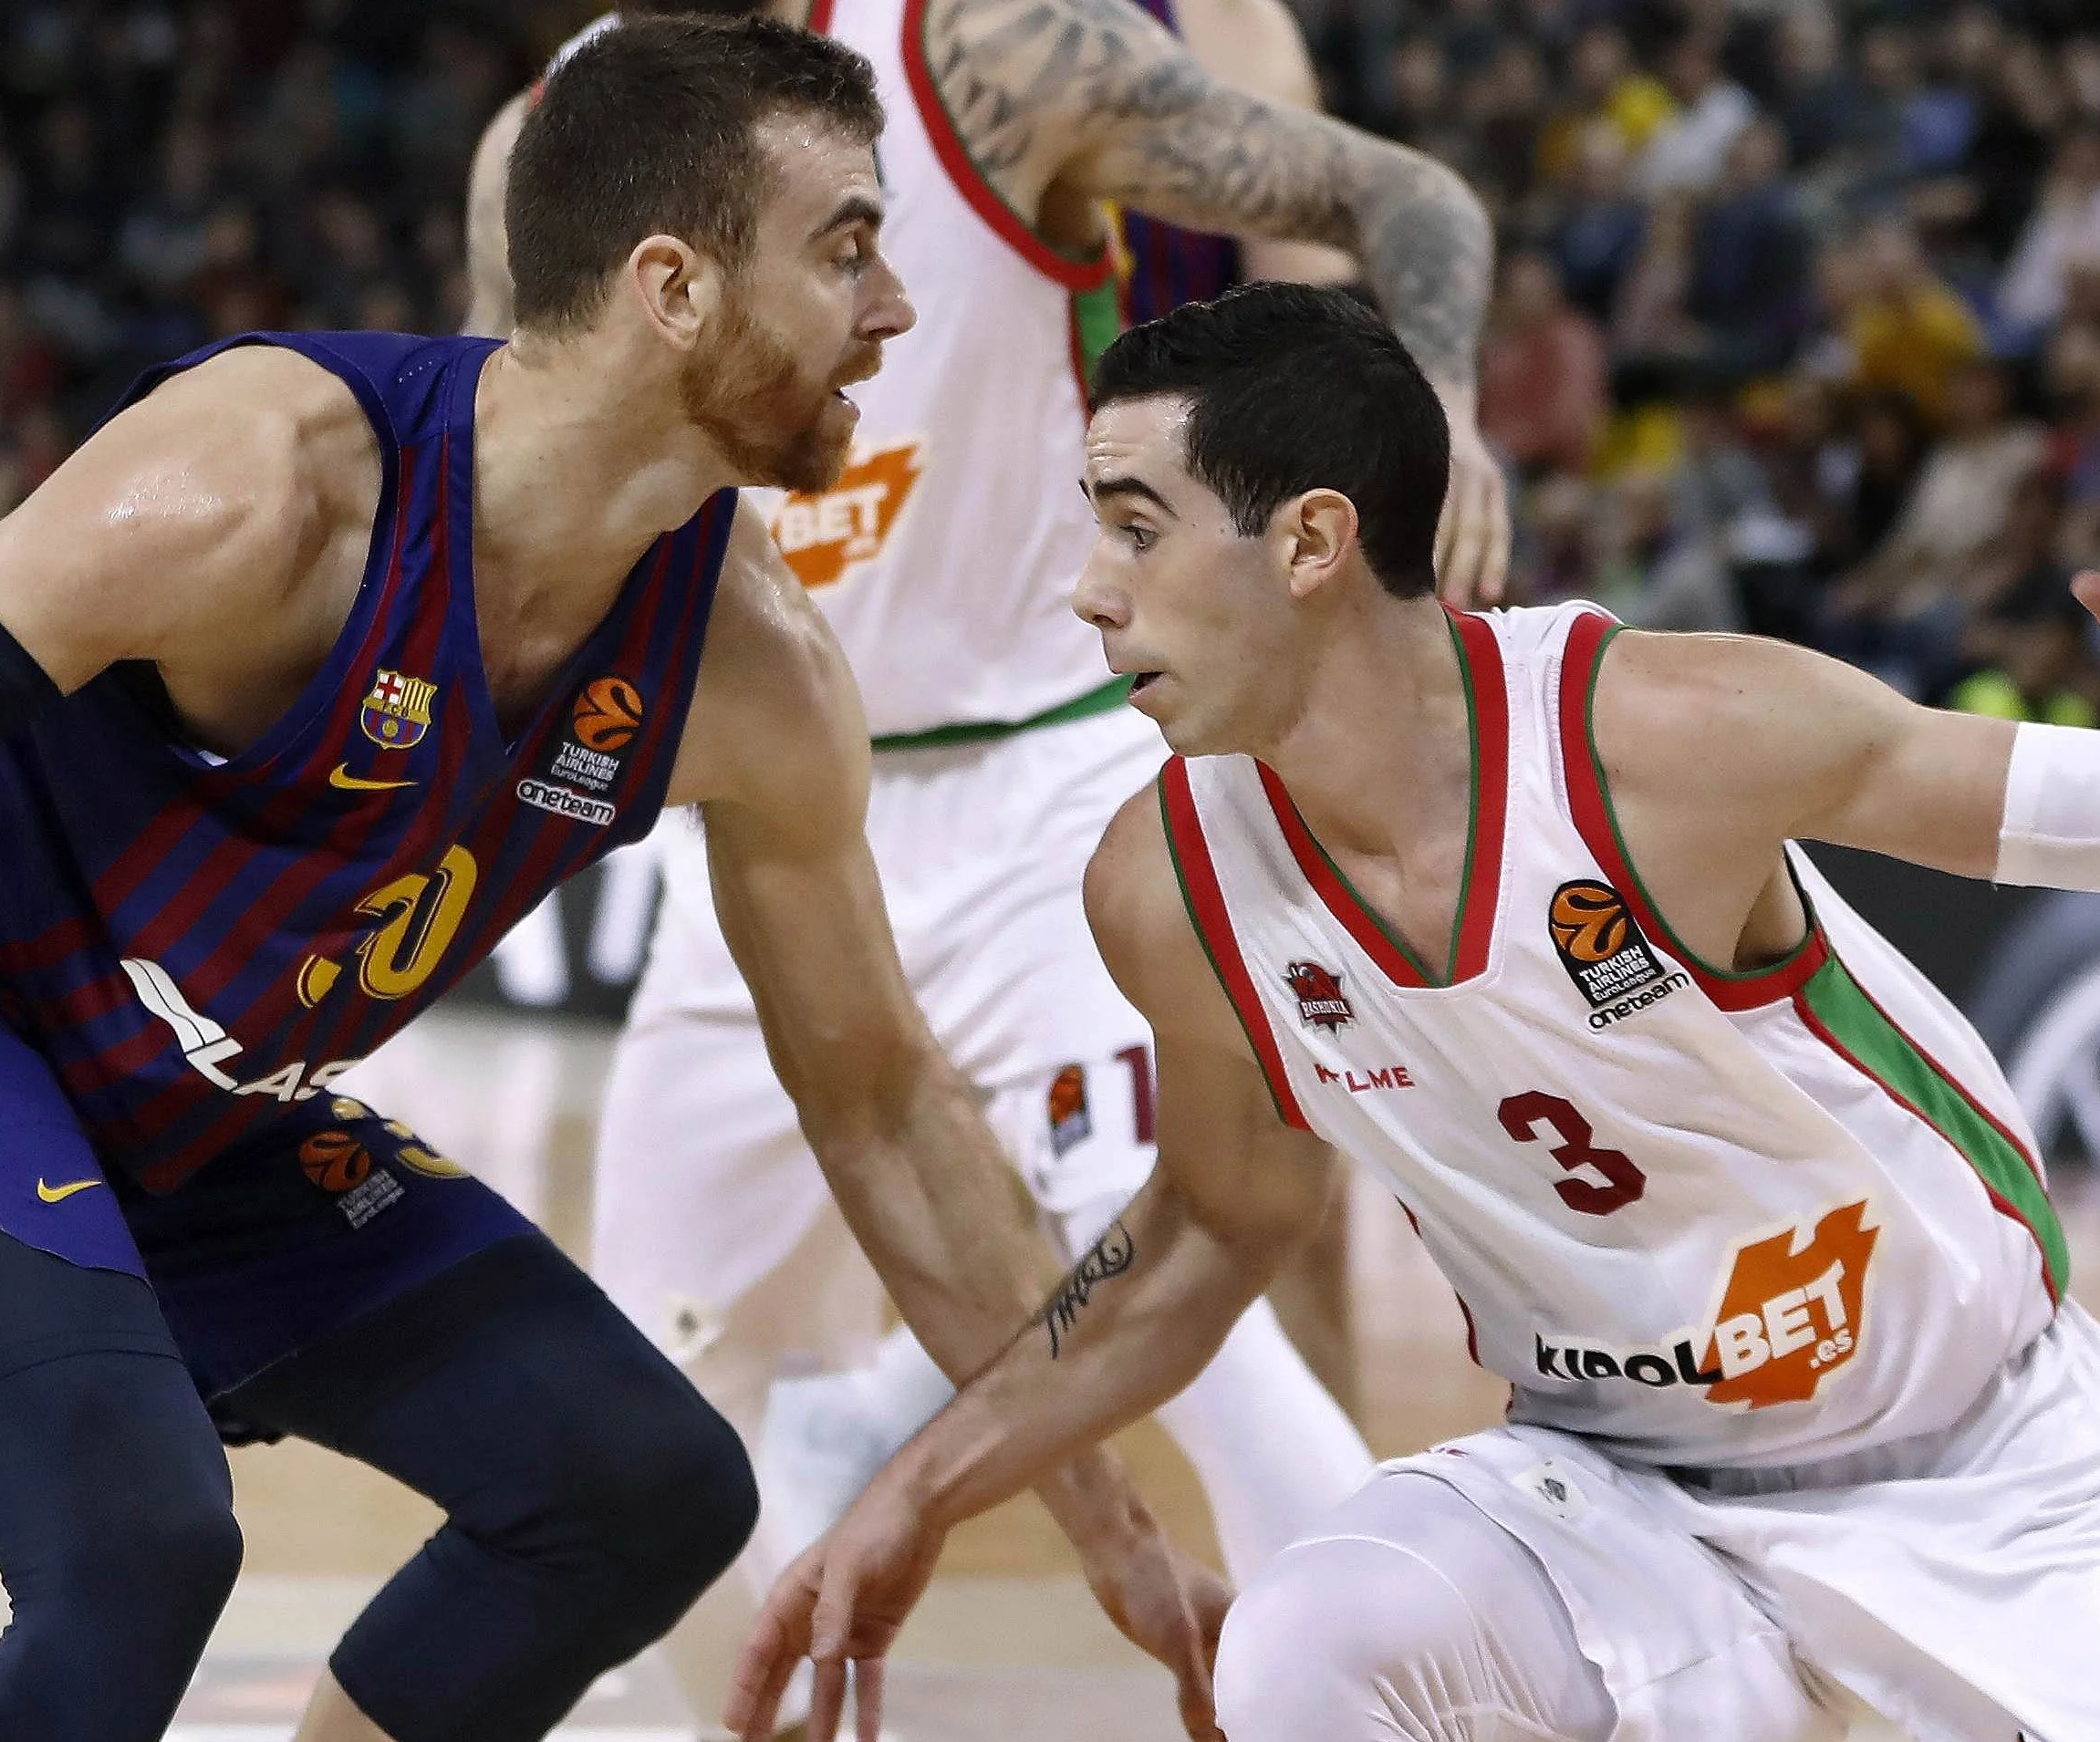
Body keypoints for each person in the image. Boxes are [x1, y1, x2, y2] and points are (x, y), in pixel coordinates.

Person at [0, 21, 1220, 1742]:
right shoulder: (264, 487)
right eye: (849, 249)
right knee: (139, 1542)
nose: (898, 307)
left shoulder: (754, 671)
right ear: (674, 288)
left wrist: (1103, 1513)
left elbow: (888, 1108)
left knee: (637, 1483)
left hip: (186, 1093)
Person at [736, 282, 2100, 1742]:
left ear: (1310, 542)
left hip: (1987, 1477)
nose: (1088, 593)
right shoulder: (1166, 887)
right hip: (1618, 1501)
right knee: (1311, 1638)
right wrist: (919, 1491)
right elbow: (1212, 1225)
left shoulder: (1670, 738)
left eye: (1138, 531)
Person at [463, 0, 1508, 1723]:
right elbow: (503, 480)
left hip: (1052, 781)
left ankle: (1421, 1699)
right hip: (775, 812)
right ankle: (811, 1589)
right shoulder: (556, 138)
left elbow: (1419, 203)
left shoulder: (992, 52)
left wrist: (1440, 410)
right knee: (643, 1431)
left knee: (1197, 1321)